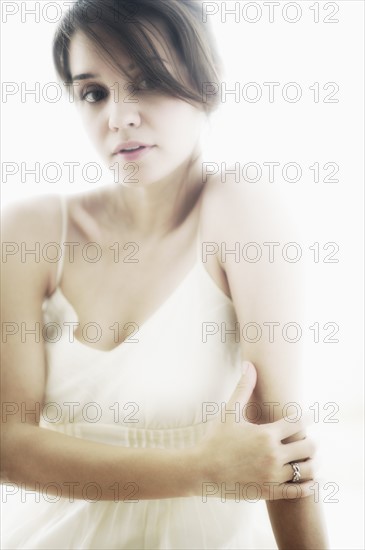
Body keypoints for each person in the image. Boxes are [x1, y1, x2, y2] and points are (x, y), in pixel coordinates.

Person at [1, 0, 329, 548]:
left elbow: (282, 453)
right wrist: (203, 470)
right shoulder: (30, 233)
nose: (119, 116)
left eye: (147, 81)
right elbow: (8, 445)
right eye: (94, 92)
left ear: (209, 82)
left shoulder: (241, 211)